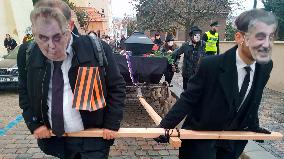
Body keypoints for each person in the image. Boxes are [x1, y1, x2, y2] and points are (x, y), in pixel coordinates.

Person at [157, 9, 278, 159]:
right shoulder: (211, 65)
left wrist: (253, 125)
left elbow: (254, 97)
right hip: (201, 140)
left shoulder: (265, 66)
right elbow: (188, 99)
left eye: (270, 37)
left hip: (232, 142)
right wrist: (164, 127)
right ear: (240, 37)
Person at [17, 1, 126, 159]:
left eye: (57, 37)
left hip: (93, 139)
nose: (50, 46)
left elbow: (117, 87)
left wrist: (111, 123)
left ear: (70, 25)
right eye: (42, 37)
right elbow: (24, 91)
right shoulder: (27, 53)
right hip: (56, 140)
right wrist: (34, 123)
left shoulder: (96, 49)